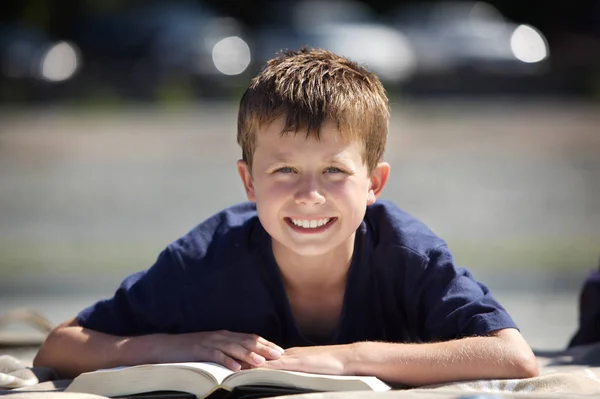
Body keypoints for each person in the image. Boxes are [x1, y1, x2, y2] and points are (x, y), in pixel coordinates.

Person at [34, 47, 538, 386]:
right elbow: (59, 348)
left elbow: (513, 357)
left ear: (374, 186)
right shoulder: (205, 258)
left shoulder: (406, 253)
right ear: (249, 182)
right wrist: (178, 345)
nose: (309, 194)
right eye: (285, 170)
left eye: (335, 171)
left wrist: (346, 357)